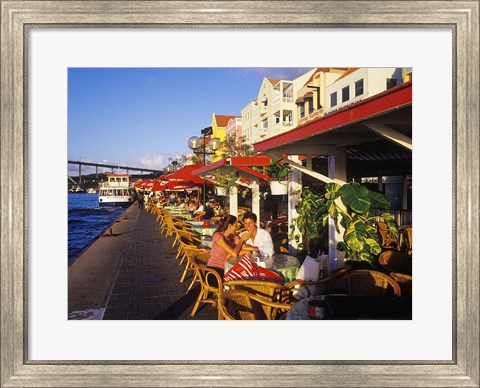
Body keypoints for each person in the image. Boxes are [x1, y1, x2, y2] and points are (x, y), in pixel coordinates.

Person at [206, 215, 251, 281]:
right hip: (214, 271)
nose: (237, 228)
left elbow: (240, 248)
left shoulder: (232, 237)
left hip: (225, 269)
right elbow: (235, 254)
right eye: (235, 225)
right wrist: (242, 239)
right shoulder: (218, 236)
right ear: (230, 226)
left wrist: (253, 249)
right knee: (239, 280)